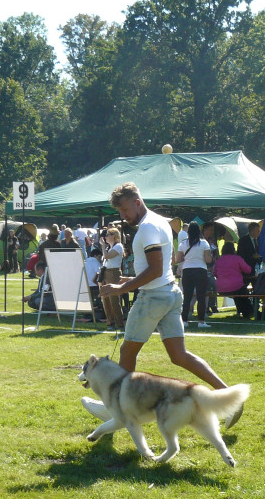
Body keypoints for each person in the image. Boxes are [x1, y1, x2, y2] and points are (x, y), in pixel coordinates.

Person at [94, 182, 243, 426]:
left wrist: (122, 287)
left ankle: (118, 410)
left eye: (124, 210)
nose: (122, 216)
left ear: (137, 202)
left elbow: (154, 270)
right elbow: (163, 267)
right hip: (171, 293)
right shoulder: (161, 222)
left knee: (127, 352)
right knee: (179, 355)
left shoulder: (147, 229)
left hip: (153, 298)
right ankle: (227, 395)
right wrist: (130, 280)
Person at [177, 221, 213, 327]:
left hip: (187, 270)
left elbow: (178, 259)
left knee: (187, 296)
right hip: (200, 270)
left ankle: (184, 321)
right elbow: (207, 260)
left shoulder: (183, 243)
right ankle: (201, 321)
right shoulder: (204, 243)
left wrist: (187, 257)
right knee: (201, 296)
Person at [214, 240, 254, 318]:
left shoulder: (219, 260)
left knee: (239, 294)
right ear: (233, 250)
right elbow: (248, 270)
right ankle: (248, 312)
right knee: (243, 293)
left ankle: (240, 311)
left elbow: (215, 273)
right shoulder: (237, 259)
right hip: (235, 286)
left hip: (221, 288)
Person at [99, 227, 126, 330]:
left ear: (114, 236)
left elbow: (107, 256)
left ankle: (119, 323)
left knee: (114, 299)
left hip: (113, 273)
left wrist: (103, 247)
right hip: (106, 272)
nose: (105, 237)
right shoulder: (110, 247)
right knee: (105, 298)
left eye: (107, 235)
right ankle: (110, 322)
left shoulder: (118, 246)